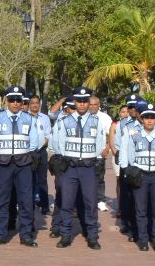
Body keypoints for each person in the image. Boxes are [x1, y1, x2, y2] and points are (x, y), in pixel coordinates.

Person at [0, 86, 43, 247]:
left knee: (26, 200)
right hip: (3, 164)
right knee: (2, 200)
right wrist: (0, 154)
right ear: (7, 101)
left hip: (23, 164)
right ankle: (0, 234)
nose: (16, 103)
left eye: (19, 100)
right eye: (12, 100)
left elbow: (35, 141)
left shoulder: (29, 119)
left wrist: (27, 155)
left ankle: (26, 235)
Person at [49, 86, 102, 249]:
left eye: (85, 101)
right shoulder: (64, 121)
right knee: (67, 202)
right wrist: (64, 159)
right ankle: (65, 235)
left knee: (90, 203)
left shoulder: (96, 121)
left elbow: (99, 143)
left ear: (88, 102)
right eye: (79, 101)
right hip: (69, 167)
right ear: (75, 102)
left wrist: (95, 158)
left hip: (88, 167)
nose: (82, 104)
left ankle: (92, 236)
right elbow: (57, 143)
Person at [119, 102, 155, 252]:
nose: (149, 120)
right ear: (141, 119)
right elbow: (128, 153)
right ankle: (142, 240)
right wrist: (128, 170)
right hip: (140, 176)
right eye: (146, 117)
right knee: (140, 210)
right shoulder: (134, 134)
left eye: (152, 117)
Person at [112, 96, 140, 239]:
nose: (133, 110)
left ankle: (137, 226)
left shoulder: (145, 123)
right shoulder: (122, 123)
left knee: (138, 197)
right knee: (125, 195)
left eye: (135, 107)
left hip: (139, 166)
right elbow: (118, 142)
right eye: (130, 107)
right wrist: (118, 155)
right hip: (126, 164)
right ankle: (125, 223)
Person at [28, 94, 52, 215]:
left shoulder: (45, 118)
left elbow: (48, 135)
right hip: (29, 153)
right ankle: (29, 206)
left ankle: (45, 207)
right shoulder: (25, 117)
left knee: (43, 180)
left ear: (39, 104)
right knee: (29, 181)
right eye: (32, 103)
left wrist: (41, 146)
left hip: (41, 151)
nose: (35, 105)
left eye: (37, 103)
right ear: (29, 104)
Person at [89, 94, 113, 210]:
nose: (93, 107)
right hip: (85, 155)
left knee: (99, 178)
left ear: (99, 105)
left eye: (95, 104)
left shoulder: (105, 118)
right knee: (86, 179)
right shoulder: (83, 116)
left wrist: (107, 148)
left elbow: (112, 134)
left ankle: (100, 200)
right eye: (91, 104)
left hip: (99, 154)